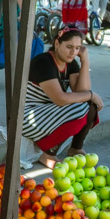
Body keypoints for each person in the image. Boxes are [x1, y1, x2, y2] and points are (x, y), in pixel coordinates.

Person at [22, 29, 103, 168]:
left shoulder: (70, 63)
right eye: (69, 47)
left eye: (77, 48)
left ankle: (75, 148)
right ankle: (48, 154)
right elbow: (60, 99)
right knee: (81, 107)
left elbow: (81, 92)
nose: (73, 52)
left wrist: (85, 62)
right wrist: (92, 95)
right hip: (28, 116)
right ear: (57, 43)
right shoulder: (43, 62)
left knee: (89, 106)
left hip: (51, 113)